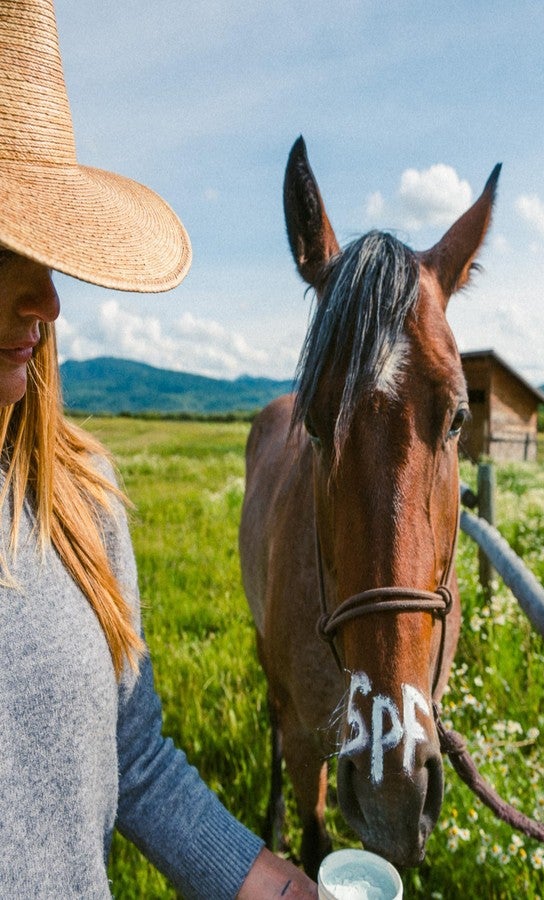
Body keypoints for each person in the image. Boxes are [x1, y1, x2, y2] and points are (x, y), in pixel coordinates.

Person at [0, 1, 317, 897]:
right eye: (5, 255)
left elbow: (130, 755)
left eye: (51, 257)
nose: (48, 305)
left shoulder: (78, 496)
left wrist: (271, 885)